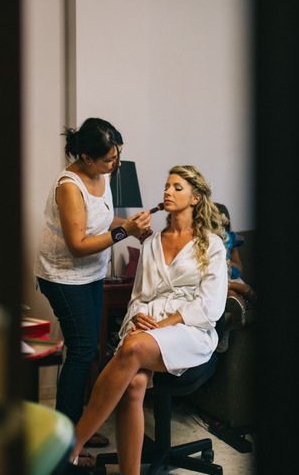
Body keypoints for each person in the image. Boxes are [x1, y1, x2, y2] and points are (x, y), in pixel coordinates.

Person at [68, 165, 228, 474]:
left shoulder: (212, 245)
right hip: (148, 330)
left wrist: (166, 324)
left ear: (195, 197)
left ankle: (72, 445)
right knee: (134, 384)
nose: (167, 191)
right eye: (166, 186)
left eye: (177, 187)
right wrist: (138, 318)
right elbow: (138, 298)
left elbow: (210, 307)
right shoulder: (152, 242)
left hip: (190, 331)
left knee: (133, 348)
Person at [34, 117, 152, 460]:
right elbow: (78, 244)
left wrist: (131, 226)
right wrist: (124, 232)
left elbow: (100, 221)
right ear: (86, 158)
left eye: (117, 156)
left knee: (95, 349)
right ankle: (65, 442)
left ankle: (81, 428)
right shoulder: (69, 185)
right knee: (83, 350)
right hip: (63, 276)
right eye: (108, 159)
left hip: (92, 275)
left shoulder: (102, 175)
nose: (115, 164)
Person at [214, 203, 257, 352]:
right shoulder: (203, 242)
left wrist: (227, 262)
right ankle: (230, 322)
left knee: (234, 296)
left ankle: (235, 320)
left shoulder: (231, 239)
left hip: (231, 278)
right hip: (217, 282)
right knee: (232, 295)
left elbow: (239, 267)